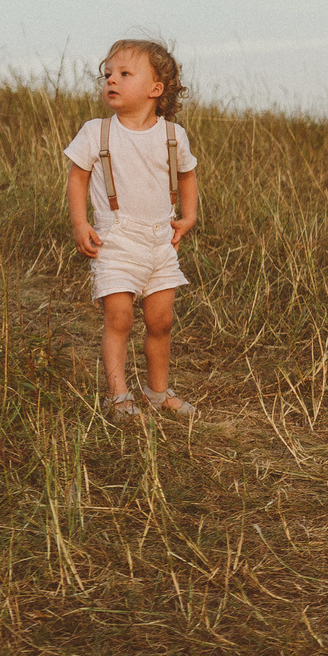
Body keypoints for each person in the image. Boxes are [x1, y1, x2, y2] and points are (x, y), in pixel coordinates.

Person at [63, 38, 201, 422]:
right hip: (115, 238)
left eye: (125, 74)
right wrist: (80, 223)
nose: (111, 80)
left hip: (160, 241)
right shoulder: (97, 132)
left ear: (156, 89)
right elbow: (77, 179)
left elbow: (187, 176)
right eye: (107, 74)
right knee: (119, 318)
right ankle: (118, 394)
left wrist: (187, 217)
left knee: (161, 321)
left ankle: (157, 392)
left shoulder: (173, 136)